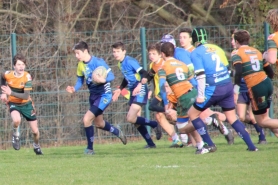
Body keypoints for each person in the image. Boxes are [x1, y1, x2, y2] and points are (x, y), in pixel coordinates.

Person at [185, 27, 258, 153]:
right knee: (232, 118)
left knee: (192, 114)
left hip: (213, 88)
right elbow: (226, 68)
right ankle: (252, 146)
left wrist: (201, 95)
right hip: (227, 86)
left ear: (194, 39)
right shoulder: (217, 48)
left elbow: (201, 75)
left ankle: (209, 144)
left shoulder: (196, 53)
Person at [162, 33, 234, 145]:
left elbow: (191, 73)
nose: (182, 39)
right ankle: (201, 141)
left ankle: (221, 130)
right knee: (196, 116)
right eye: (180, 37)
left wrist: (197, 88)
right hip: (189, 89)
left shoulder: (181, 54)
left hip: (193, 87)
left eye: (184, 37)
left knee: (200, 115)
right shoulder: (181, 54)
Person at [66, 41, 127, 155]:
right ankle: (117, 131)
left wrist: (103, 80)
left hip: (104, 95)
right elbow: (80, 80)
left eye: (78, 53)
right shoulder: (80, 65)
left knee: (86, 119)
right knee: (99, 124)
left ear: (85, 51)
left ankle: (90, 149)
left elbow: (111, 76)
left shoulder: (98, 62)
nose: (76, 56)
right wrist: (74, 88)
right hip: (93, 96)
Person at [158, 42, 207, 154]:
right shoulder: (182, 64)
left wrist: (166, 104)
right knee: (191, 119)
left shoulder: (163, 66)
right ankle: (200, 144)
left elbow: (161, 86)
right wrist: (200, 94)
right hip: (193, 92)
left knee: (181, 128)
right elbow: (194, 82)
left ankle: (203, 123)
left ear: (162, 54)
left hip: (183, 96)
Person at [111, 41, 161, 149]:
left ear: (124, 51)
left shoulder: (130, 61)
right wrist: (120, 89)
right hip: (133, 91)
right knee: (135, 120)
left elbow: (144, 73)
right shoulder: (120, 63)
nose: (115, 54)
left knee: (130, 118)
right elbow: (127, 77)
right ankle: (150, 143)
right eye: (114, 52)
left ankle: (154, 124)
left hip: (140, 89)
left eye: (118, 51)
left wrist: (139, 85)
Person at [232, 29, 278, 137]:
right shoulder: (256, 51)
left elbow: (238, 73)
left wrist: (235, 91)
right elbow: (270, 73)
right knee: (264, 119)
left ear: (237, 41)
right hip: (266, 83)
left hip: (256, 87)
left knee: (262, 122)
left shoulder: (237, 53)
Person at [0, 53, 43, 155]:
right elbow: (2, 77)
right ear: (14, 66)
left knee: (35, 132)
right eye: (19, 64)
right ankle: (16, 134)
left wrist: (11, 93)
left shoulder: (27, 77)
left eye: (23, 64)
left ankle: (36, 145)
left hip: (26, 104)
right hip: (13, 103)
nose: (21, 67)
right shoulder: (8, 74)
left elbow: (26, 96)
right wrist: (3, 93)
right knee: (16, 120)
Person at [147, 43, 183, 148]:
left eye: (154, 53)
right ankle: (176, 139)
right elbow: (151, 77)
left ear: (160, 55)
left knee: (177, 115)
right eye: (150, 54)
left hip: (172, 92)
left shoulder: (165, 63)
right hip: (161, 93)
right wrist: (148, 88)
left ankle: (189, 137)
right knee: (157, 113)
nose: (151, 56)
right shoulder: (152, 65)